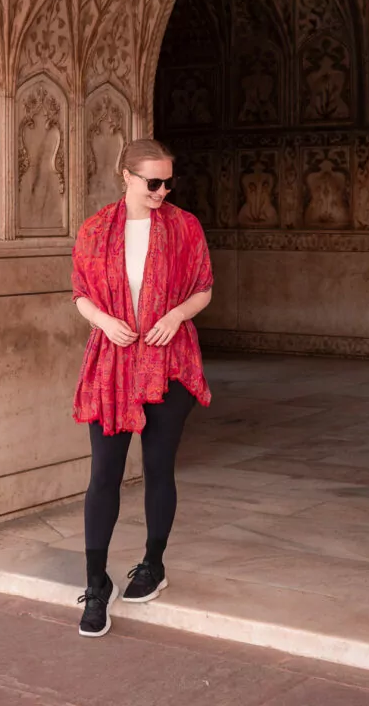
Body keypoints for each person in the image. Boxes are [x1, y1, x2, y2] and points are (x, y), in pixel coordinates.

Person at [71, 138, 214, 637]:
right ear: (125, 176)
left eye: (168, 182)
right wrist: (105, 322)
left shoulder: (184, 226)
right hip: (112, 362)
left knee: (158, 467)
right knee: (104, 474)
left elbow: (203, 286)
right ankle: (95, 584)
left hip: (168, 360)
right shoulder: (94, 230)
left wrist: (176, 315)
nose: (162, 191)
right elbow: (81, 294)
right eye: (152, 182)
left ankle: (153, 564)